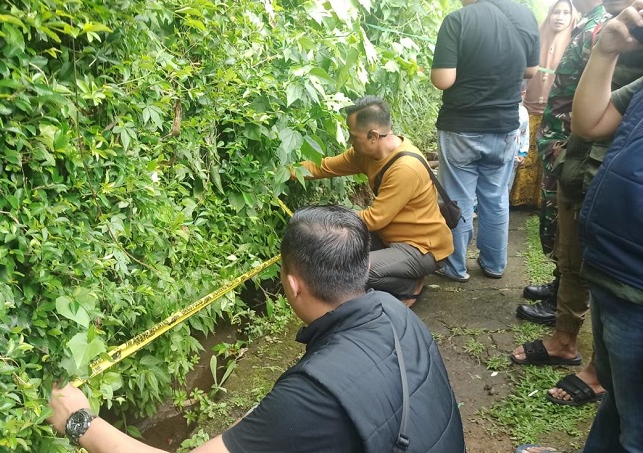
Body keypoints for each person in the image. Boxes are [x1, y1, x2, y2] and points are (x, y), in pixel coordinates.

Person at [47, 206, 467, 452]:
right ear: (365, 267)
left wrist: (81, 421)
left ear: (292, 283)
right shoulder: (399, 315)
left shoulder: (313, 396)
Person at [516, 3, 643, 452]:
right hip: (615, 271)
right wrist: (606, 50)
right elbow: (590, 122)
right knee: (620, 406)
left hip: (635, 285)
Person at [293, 96, 453, 307]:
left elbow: (373, 219)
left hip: (422, 247)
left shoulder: (405, 168)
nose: (350, 141)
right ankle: (398, 272)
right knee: (341, 253)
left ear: (373, 136)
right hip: (391, 235)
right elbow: (324, 167)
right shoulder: (365, 154)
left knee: (352, 274)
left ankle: (408, 287)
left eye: (352, 136)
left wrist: (325, 221)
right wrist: (290, 171)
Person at [430, 0, 539, 282]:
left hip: (462, 126)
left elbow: (443, 79)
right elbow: (530, 71)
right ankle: (494, 264)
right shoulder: (524, 15)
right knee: (496, 197)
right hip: (504, 126)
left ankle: (456, 267)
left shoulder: (458, 20)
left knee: (458, 199)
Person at [520, 0, 609, 314]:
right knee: (557, 223)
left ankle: (564, 305)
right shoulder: (588, 24)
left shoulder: (603, 27)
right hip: (562, 146)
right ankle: (558, 286)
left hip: (576, 147)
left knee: (568, 229)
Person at [509, 0, 577, 207]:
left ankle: (541, 201)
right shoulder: (537, 36)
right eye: (556, 12)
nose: (560, 17)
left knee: (548, 155)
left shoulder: (576, 40)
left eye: (566, 13)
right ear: (550, 14)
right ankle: (519, 199)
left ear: (572, 17)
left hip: (557, 112)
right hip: (529, 107)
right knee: (524, 152)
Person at [508, 82, 530, 195]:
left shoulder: (523, 112)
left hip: (513, 157)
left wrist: (523, 153)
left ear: (523, 93)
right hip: (495, 157)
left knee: (506, 185)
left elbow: (524, 134)